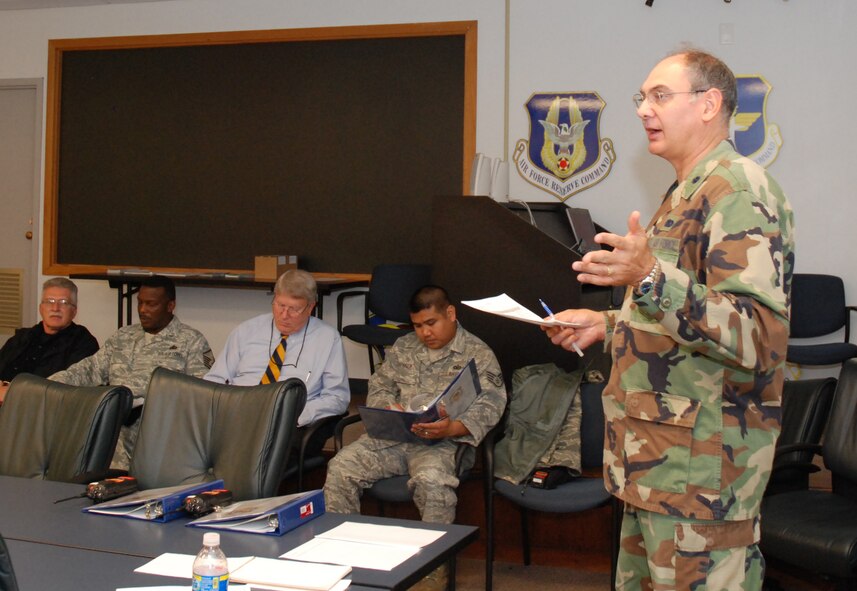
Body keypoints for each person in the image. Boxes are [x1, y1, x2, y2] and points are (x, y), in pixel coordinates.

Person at [544, 48, 794, 590]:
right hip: (655, 467)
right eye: (642, 98)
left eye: (659, 96)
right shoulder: (686, 189)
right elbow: (681, 319)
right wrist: (605, 325)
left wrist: (649, 276)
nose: (642, 110)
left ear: (709, 105)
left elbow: (757, 337)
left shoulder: (738, 190)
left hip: (702, 479)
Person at [324, 285, 506, 525]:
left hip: (442, 444)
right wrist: (389, 409)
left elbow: (492, 402)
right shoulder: (404, 346)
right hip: (393, 438)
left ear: (450, 314)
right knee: (341, 468)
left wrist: (453, 427)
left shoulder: (477, 353)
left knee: (432, 483)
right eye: (418, 326)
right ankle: (344, 552)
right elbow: (380, 386)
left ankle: (434, 562)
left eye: (431, 323)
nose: (425, 333)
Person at [51, 275, 213, 469]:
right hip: (111, 429)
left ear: (170, 306)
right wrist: (50, 385)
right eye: (140, 303)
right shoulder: (124, 336)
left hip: (156, 435)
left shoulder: (191, 341)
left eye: (151, 304)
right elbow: (90, 368)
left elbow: (202, 395)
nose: (143, 310)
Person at [204, 269, 350, 455]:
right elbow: (215, 379)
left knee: (257, 452)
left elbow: (337, 398)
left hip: (289, 421)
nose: (284, 315)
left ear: (311, 307)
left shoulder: (327, 339)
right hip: (239, 413)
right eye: (279, 305)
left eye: (294, 309)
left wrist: (295, 415)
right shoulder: (247, 330)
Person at [0, 277, 99, 403]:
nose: (55, 308)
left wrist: (12, 393)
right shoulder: (23, 337)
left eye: (63, 302)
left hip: (42, 410)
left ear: (74, 311)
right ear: (41, 308)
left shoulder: (83, 343)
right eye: (49, 301)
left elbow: (67, 391)